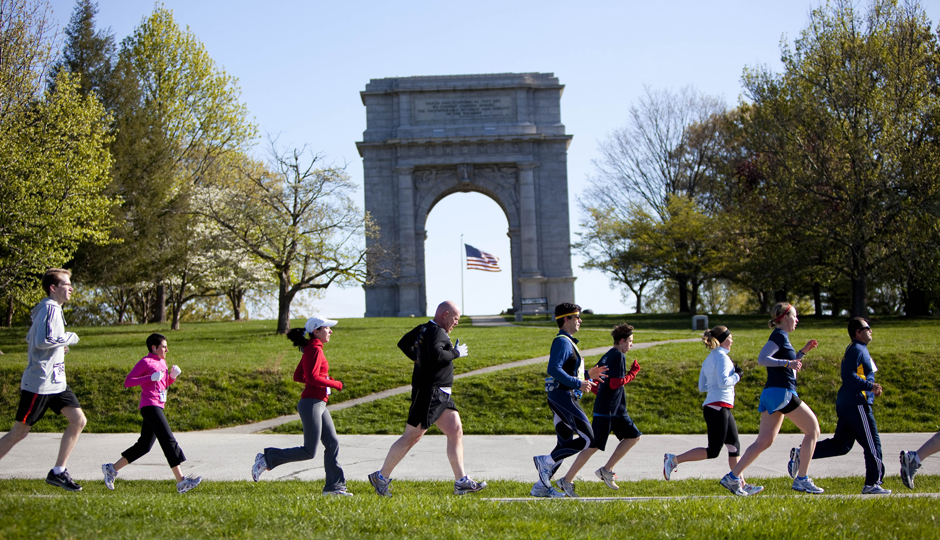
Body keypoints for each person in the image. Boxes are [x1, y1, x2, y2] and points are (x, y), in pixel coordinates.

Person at [368, 301, 486, 497]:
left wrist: (419, 358)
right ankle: (381, 477)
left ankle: (461, 481)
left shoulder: (425, 328)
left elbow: (405, 343)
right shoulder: (437, 331)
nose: (456, 323)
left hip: (441, 394)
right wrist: (456, 353)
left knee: (455, 430)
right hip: (431, 393)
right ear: (445, 314)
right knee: (412, 436)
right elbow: (436, 355)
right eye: (455, 319)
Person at [719, 302, 823, 496]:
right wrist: (788, 362)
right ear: (784, 318)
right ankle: (802, 479)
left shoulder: (782, 338)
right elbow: (762, 358)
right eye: (794, 316)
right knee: (813, 430)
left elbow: (789, 364)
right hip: (782, 393)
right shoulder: (778, 336)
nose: (797, 320)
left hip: (773, 393)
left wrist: (802, 353)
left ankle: (733, 477)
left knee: (764, 441)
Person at [0, 269, 86, 491]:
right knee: (20, 432)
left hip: (56, 383)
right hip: (40, 383)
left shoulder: (52, 309)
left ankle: (58, 472)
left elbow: (36, 340)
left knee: (78, 420)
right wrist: (69, 338)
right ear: (53, 288)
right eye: (67, 284)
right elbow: (42, 341)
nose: (71, 288)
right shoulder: (49, 307)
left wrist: (61, 349)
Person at [250, 317, 351, 496]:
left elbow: (299, 376)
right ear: (316, 331)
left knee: (332, 443)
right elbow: (310, 378)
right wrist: (335, 383)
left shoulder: (311, 349)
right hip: (312, 403)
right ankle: (267, 458)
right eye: (327, 328)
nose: (331, 331)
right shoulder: (314, 349)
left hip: (318, 403)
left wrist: (323, 380)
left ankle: (334, 488)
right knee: (309, 451)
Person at [663, 326, 762, 495]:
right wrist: (737, 375)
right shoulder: (722, 358)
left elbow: (702, 387)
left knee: (734, 446)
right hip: (718, 407)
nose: (732, 340)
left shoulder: (709, 358)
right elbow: (724, 382)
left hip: (717, 406)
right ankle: (673, 460)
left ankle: (741, 484)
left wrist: (717, 385)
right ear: (723, 339)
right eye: (730, 337)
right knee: (714, 450)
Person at [101, 334, 201, 493]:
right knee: (168, 440)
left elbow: (162, 384)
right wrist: (149, 376)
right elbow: (128, 382)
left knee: (144, 446)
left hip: (158, 406)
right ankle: (181, 481)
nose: (167, 349)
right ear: (154, 348)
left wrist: (172, 378)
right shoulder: (145, 362)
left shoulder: (162, 361)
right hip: (149, 406)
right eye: (163, 347)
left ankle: (111, 469)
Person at [532, 303, 608, 498]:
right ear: (566, 319)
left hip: (563, 396)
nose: (580, 320)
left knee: (563, 443)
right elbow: (554, 369)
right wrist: (577, 382)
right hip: (563, 396)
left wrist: (588, 375)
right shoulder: (562, 341)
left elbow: (567, 370)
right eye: (576, 317)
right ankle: (546, 462)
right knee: (589, 439)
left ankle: (540, 487)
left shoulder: (568, 342)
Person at [555, 323, 640, 495]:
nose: (631, 345)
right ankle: (566, 480)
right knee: (592, 446)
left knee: (633, 436)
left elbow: (596, 383)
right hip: (609, 411)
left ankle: (606, 470)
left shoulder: (607, 355)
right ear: (622, 341)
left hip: (613, 410)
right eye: (630, 341)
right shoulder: (619, 356)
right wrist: (633, 373)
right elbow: (616, 383)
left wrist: (601, 394)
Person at [808, 318, 889, 494]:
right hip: (856, 403)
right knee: (873, 444)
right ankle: (873, 484)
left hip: (849, 403)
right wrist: (870, 387)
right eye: (867, 328)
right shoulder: (857, 349)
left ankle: (803, 453)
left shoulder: (859, 349)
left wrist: (872, 387)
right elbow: (848, 375)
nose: (871, 331)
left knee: (842, 445)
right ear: (858, 332)